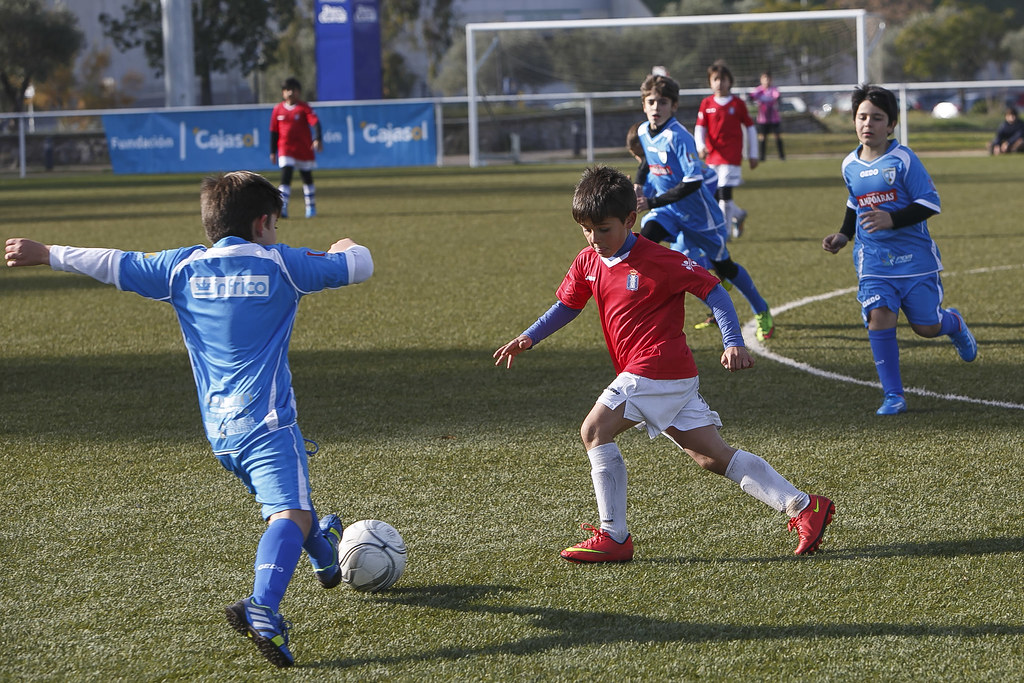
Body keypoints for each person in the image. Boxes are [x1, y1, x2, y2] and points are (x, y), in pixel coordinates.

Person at [4, 171, 375, 668]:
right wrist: (345, 243)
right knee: (289, 513)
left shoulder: (180, 267)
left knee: (294, 503)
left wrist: (46, 252)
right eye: (277, 225)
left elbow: (113, 262)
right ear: (264, 223)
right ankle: (263, 607)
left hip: (220, 432)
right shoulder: (281, 264)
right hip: (267, 424)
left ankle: (327, 560)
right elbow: (361, 264)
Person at [493, 165, 834, 564]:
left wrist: (733, 341)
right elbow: (567, 304)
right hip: (660, 377)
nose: (594, 238)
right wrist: (529, 336)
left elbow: (714, 291)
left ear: (629, 220)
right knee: (711, 456)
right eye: (586, 229)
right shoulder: (588, 261)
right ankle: (803, 506)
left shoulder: (661, 259)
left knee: (594, 430)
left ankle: (613, 536)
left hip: (657, 369)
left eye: (603, 229)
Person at [822, 85, 977, 416]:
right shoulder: (849, 163)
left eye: (877, 118)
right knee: (879, 318)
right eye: (862, 117)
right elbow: (855, 203)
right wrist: (844, 235)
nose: (868, 124)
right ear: (854, 121)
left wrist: (892, 218)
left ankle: (954, 324)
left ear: (891, 124)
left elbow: (929, 203)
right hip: (873, 260)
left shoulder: (903, 158)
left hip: (915, 260)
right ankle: (893, 395)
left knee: (926, 328)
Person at [635, 74, 775, 341]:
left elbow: (692, 181)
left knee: (725, 268)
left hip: (700, 216)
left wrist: (651, 201)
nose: (656, 107)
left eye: (662, 102)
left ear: (673, 106)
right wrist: (639, 185)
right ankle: (644, 309)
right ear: (643, 104)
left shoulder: (679, 136)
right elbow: (645, 160)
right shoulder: (643, 131)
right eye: (651, 101)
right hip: (667, 212)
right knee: (646, 242)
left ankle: (761, 309)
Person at [695, 61, 759, 239]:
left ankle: (724, 233)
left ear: (730, 82)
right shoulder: (706, 103)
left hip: (731, 156)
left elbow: (751, 129)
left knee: (724, 194)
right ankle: (738, 215)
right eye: (715, 79)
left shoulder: (737, 104)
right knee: (714, 197)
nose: (719, 83)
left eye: (723, 79)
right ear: (710, 82)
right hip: (713, 157)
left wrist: (753, 154)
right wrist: (701, 147)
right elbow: (700, 128)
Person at [270, 77, 323, 218]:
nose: (290, 93)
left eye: (293, 90)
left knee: (307, 178)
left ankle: (310, 208)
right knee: (285, 177)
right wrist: (272, 151)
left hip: (303, 149)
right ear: (283, 93)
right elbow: (274, 131)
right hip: (285, 149)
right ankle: (283, 208)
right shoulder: (278, 110)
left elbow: (316, 122)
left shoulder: (304, 108)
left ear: (298, 92)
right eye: (287, 90)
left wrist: (317, 138)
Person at [748, 70, 786, 161]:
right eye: (764, 79)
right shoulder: (759, 90)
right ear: (761, 80)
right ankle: (762, 157)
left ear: (771, 80)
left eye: (768, 79)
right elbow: (751, 97)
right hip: (762, 119)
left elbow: (778, 97)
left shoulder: (774, 90)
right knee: (762, 137)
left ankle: (782, 156)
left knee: (777, 136)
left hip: (774, 118)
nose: (766, 81)